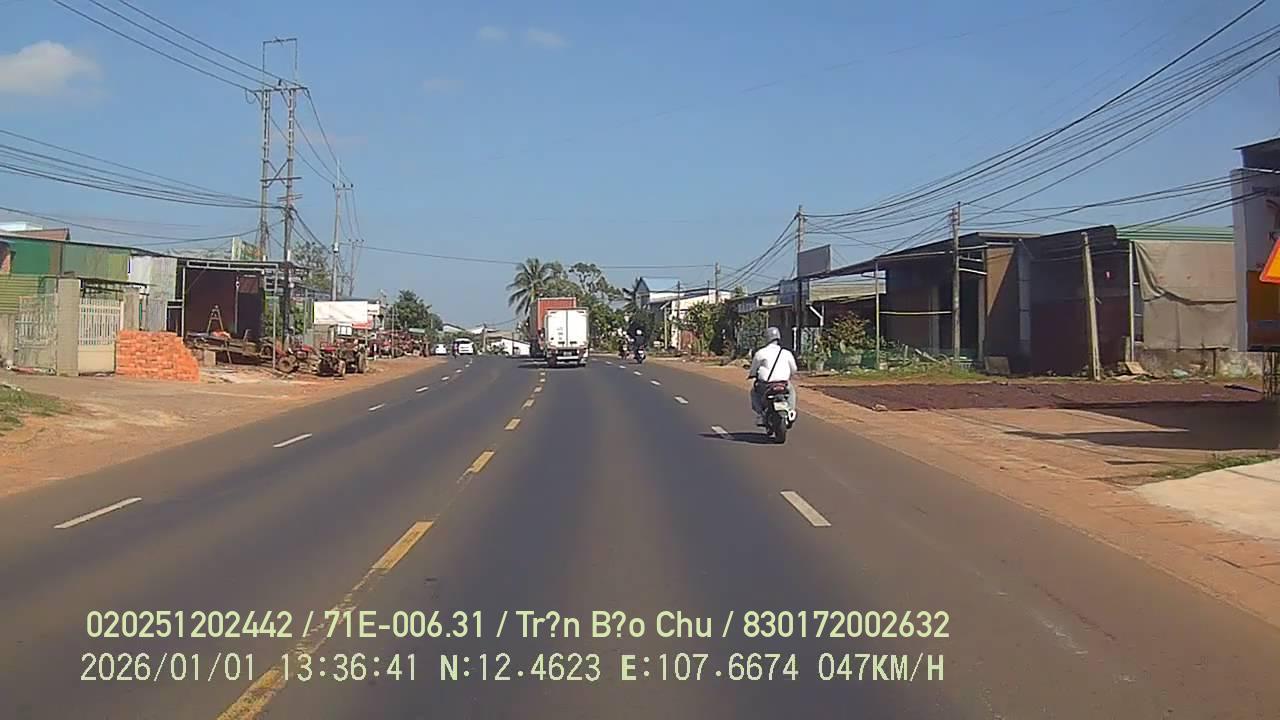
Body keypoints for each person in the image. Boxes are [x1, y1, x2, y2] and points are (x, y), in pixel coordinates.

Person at [748, 326, 798, 426]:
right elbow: (794, 369)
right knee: (791, 391)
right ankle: (791, 410)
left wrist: (752, 375)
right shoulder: (786, 353)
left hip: (766, 385)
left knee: (753, 392)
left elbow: (753, 370)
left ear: (766, 338)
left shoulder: (760, 353)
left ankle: (761, 414)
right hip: (783, 384)